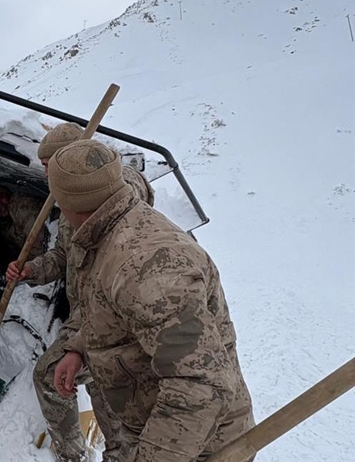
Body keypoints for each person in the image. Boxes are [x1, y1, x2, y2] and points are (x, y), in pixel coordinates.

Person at [46, 140, 254, 462]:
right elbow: (113, 315)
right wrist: (78, 347)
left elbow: (199, 385)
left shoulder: (147, 267)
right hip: (147, 423)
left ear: (67, 201)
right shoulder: (109, 232)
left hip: (197, 447)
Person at [8, 122, 154, 462]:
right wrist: (32, 270)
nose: (47, 174)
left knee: (54, 376)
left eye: (50, 166)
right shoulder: (70, 203)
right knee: (101, 394)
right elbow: (62, 256)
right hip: (86, 316)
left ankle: (74, 455)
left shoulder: (115, 191)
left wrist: (82, 341)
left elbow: (130, 191)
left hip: (112, 319)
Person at [0, 185, 47, 259]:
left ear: (8, 195)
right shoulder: (5, 223)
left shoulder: (23, 208)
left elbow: (40, 247)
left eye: (0, 196)